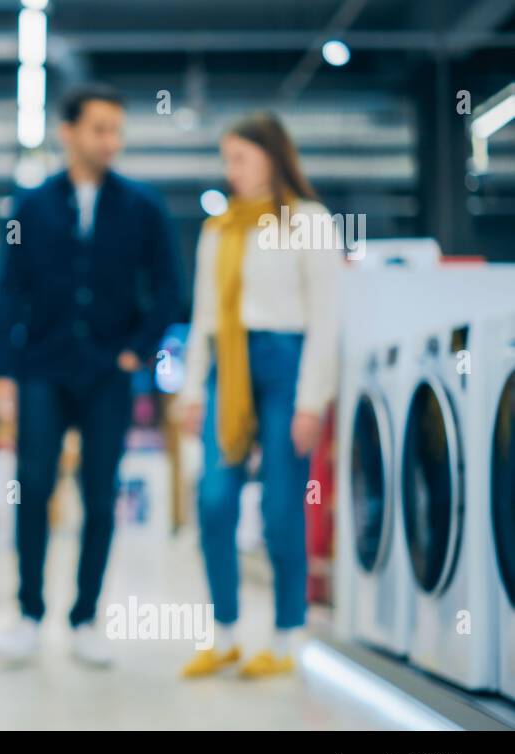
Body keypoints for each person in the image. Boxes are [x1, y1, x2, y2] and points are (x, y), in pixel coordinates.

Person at [0, 83, 182, 665]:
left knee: (100, 495)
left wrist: (137, 350)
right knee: (35, 487)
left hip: (107, 374)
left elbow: (170, 290)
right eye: (99, 129)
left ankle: (85, 618)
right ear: (67, 132)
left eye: (117, 130)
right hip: (41, 368)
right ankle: (28, 613)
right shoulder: (31, 206)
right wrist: (1, 372)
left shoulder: (143, 208)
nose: (110, 141)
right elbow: (7, 291)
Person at [177, 112, 340, 679]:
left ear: (272, 156)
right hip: (230, 368)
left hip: (287, 367)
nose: (232, 170)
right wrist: (193, 388)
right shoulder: (219, 229)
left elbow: (326, 320)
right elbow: (202, 317)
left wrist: (312, 401)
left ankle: (287, 635)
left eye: (240, 158)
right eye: (227, 160)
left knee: (279, 509)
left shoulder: (310, 221)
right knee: (214, 502)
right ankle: (225, 632)